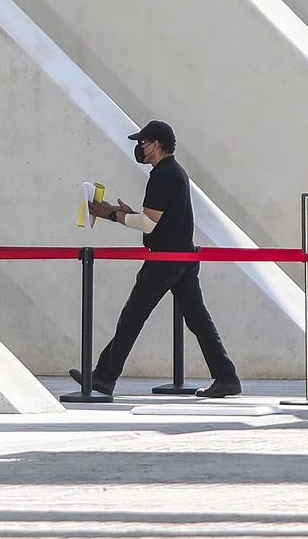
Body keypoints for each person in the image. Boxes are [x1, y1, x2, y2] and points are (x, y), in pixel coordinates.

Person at [63, 120, 241, 401]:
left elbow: (148, 225)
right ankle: (226, 377)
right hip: (183, 257)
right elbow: (158, 219)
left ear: (156, 144)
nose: (140, 148)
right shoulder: (176, 172)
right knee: (198, 320)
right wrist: (129, 213)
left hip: (165, 261)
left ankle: (104, 377)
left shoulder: (162, 175)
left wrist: (110, 213)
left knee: (132, 317)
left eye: (143, 142)